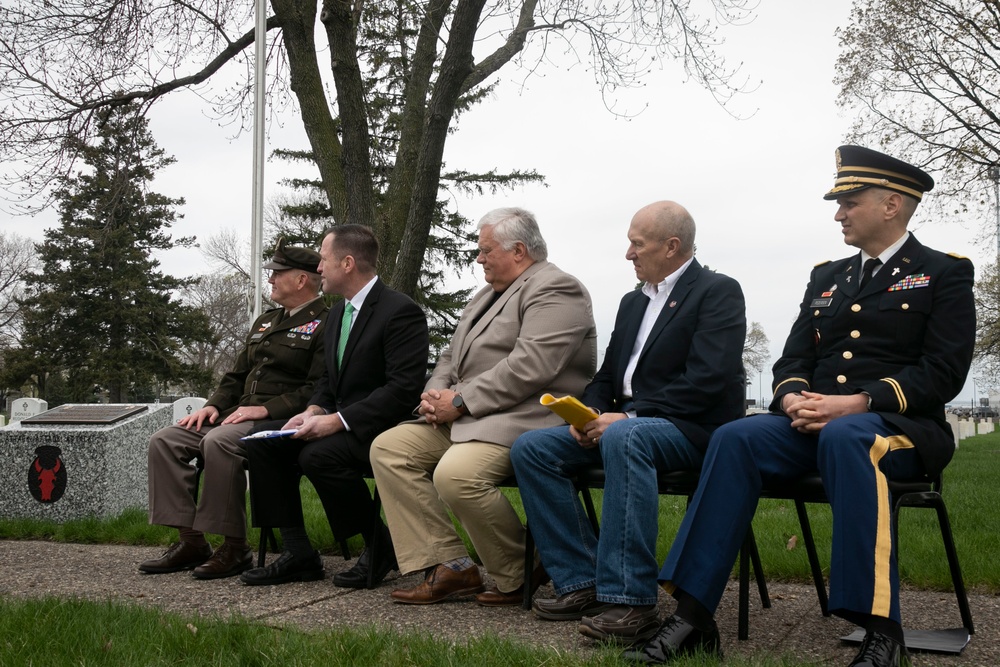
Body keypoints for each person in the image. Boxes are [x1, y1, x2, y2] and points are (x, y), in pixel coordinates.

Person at [627, 146, 975, 667]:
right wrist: (791, 398)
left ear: (892, 205)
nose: (838, 213)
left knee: (847, 435)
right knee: (735, 437)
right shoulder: (827, 276)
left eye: (849, 202)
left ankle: (882, 631)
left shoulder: (943, 273)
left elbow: (943, 373)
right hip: (814, 425)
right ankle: (693, 617)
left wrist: (857, 402)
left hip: (900, 430)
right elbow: (792, 357)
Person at [510, 201, 746, 642]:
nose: (628, 254)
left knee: (625, 436)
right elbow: (607, 376)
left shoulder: (717, 291)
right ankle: (582, 582)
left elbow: (707, 381)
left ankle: (631, 603)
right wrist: (591, 414)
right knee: (532, 448)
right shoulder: (631, 301)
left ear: (672, 246)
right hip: (627, 424)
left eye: (637, 244)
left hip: (692, 428)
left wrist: (627, 416)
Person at [370, 207, 598, 606]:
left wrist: (459, 400)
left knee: (456, 475)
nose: (478, 259)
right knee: (389, 449)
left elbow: (531, 366)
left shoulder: (557, 288)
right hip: (470, 416)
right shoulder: (487, 294)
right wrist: (435, 393)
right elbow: (450, 357)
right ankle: (450, 567)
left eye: (485, 250)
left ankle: (521, 566)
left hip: (522, 420)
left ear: (519, 250)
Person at [239, 225, 429, 587]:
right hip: (339, 423)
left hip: (383, 426)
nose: (319, 268)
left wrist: (339, 421)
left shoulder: (400, 311)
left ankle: (380, 546)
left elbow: (402, 391)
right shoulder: (339, 313)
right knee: (264, 442)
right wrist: (313, 411)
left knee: (318, 456)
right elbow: (328, 380)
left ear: (347, 262)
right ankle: (298, 554)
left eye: (323, 260)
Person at [140, 239, 328, 579]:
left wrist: (264, 410)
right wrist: (212, 406)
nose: (270, 280)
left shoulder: (325, 323)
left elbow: (315, 389)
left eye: (278, 273)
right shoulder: (266, 322)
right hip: (237, 415)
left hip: (281, 421)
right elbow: (236, 376)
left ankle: (235, 547)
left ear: (301, 280)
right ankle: (191, 541)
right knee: (166, 440)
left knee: (219, 442)